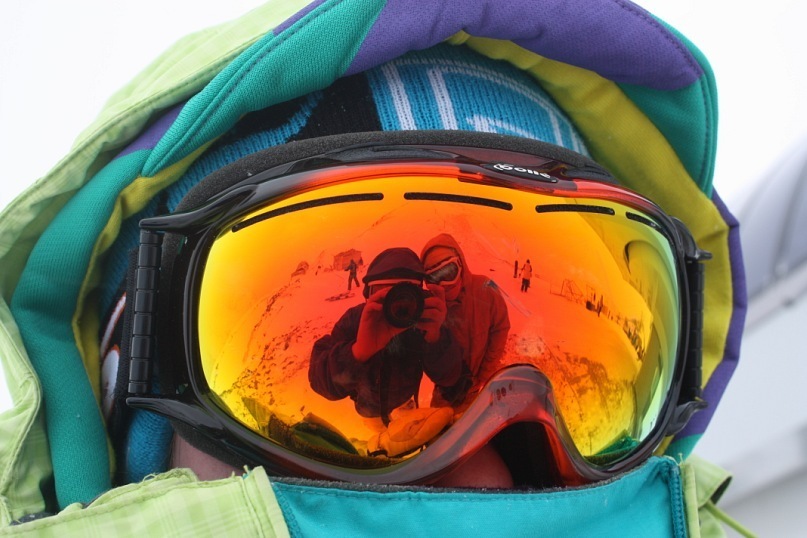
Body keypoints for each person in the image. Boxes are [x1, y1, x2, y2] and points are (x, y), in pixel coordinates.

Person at [0, 1, 752, 535]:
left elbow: (489, 393)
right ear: (124, 394)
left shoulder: (478, 317)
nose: (489, 482)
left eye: (605, 382)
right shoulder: (351, 339)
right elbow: (331, 382)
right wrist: (360, 349)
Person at [309, 247, 468, 422]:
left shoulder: (421, 322)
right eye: (382, 296)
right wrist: (358, 351)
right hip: (369, 409)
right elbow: (320, 381)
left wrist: (435, 338)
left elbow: (449, 377)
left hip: (404, 402)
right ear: (368, 297)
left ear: (419, 296)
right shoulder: (357, 320)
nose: (393, 306)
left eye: (403, 297)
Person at [420, 233, 510, 406]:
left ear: (461, 264)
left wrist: (485, 374)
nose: (445, 284)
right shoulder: (430, 309)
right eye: (435, 278)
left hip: (478, 390)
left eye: (450, 272)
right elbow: (429, 358)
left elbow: (500, 328)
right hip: (445, 394)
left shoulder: (485, 289)